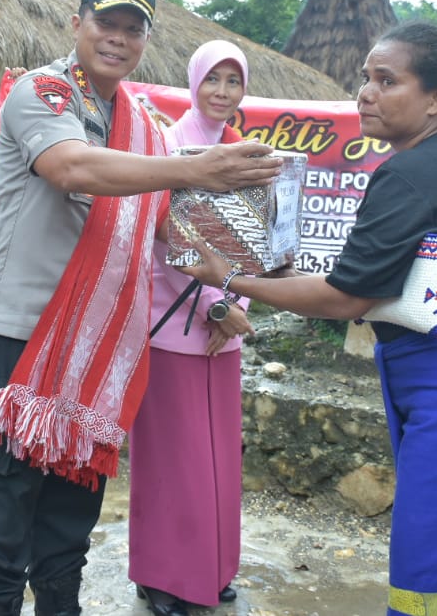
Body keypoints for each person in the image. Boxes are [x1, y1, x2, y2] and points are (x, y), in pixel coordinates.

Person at [182, 20, 437, 616]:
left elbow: (347, 299)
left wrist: (228, 276)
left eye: (386, 80)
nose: (366, 93)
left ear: (436, 100)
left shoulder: (412, 173)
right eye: (365, 79)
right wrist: (273, 278)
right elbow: (380, 290)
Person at [0, 0, 283, 616]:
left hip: (99, 349)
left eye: (132, 29)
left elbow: (178, 236)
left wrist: (256, 279)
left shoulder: (142, 123)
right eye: (105, 21)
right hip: (21, 336)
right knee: (2, 526)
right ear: (76, 23)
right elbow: (72, 165)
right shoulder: (41, 92)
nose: (117, 37)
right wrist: (195, 167)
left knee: (67, 527)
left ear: (144, 41)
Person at [127, 40, 255, 616]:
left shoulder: (240, 153)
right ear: (194, 81)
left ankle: (211, 565)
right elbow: (161, 241)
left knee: (217, 454)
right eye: (214, 80)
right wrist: (213, 305)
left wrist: (233, 304)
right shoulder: (170, 146)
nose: (222, 92)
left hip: (224, 325)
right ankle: (162, 576)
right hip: (172, 320)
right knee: (171, 457)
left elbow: (247, 245)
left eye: (234, 81)